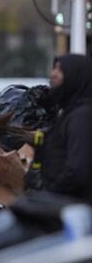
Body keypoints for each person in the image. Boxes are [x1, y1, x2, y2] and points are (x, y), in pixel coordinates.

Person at [40, 55, 92, 201]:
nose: (53, 74)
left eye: (60, 70)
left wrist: (51, 194)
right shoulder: (69, 113)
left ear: (76, 77)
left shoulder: (81, 117)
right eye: (54, 68)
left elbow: (78, 170)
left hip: (70, 206)